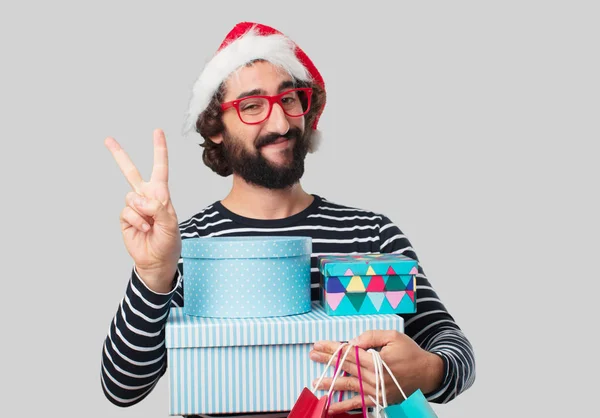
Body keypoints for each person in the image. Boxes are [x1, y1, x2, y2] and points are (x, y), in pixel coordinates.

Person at [100, 21, 476, 417]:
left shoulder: (370, 235)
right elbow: (123, 387)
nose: (280, 124)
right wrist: (154, 275)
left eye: (290, 100)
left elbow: (452, 346)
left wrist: (427, 371)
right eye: (251, 106)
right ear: (215, 128)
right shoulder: (191, 245)